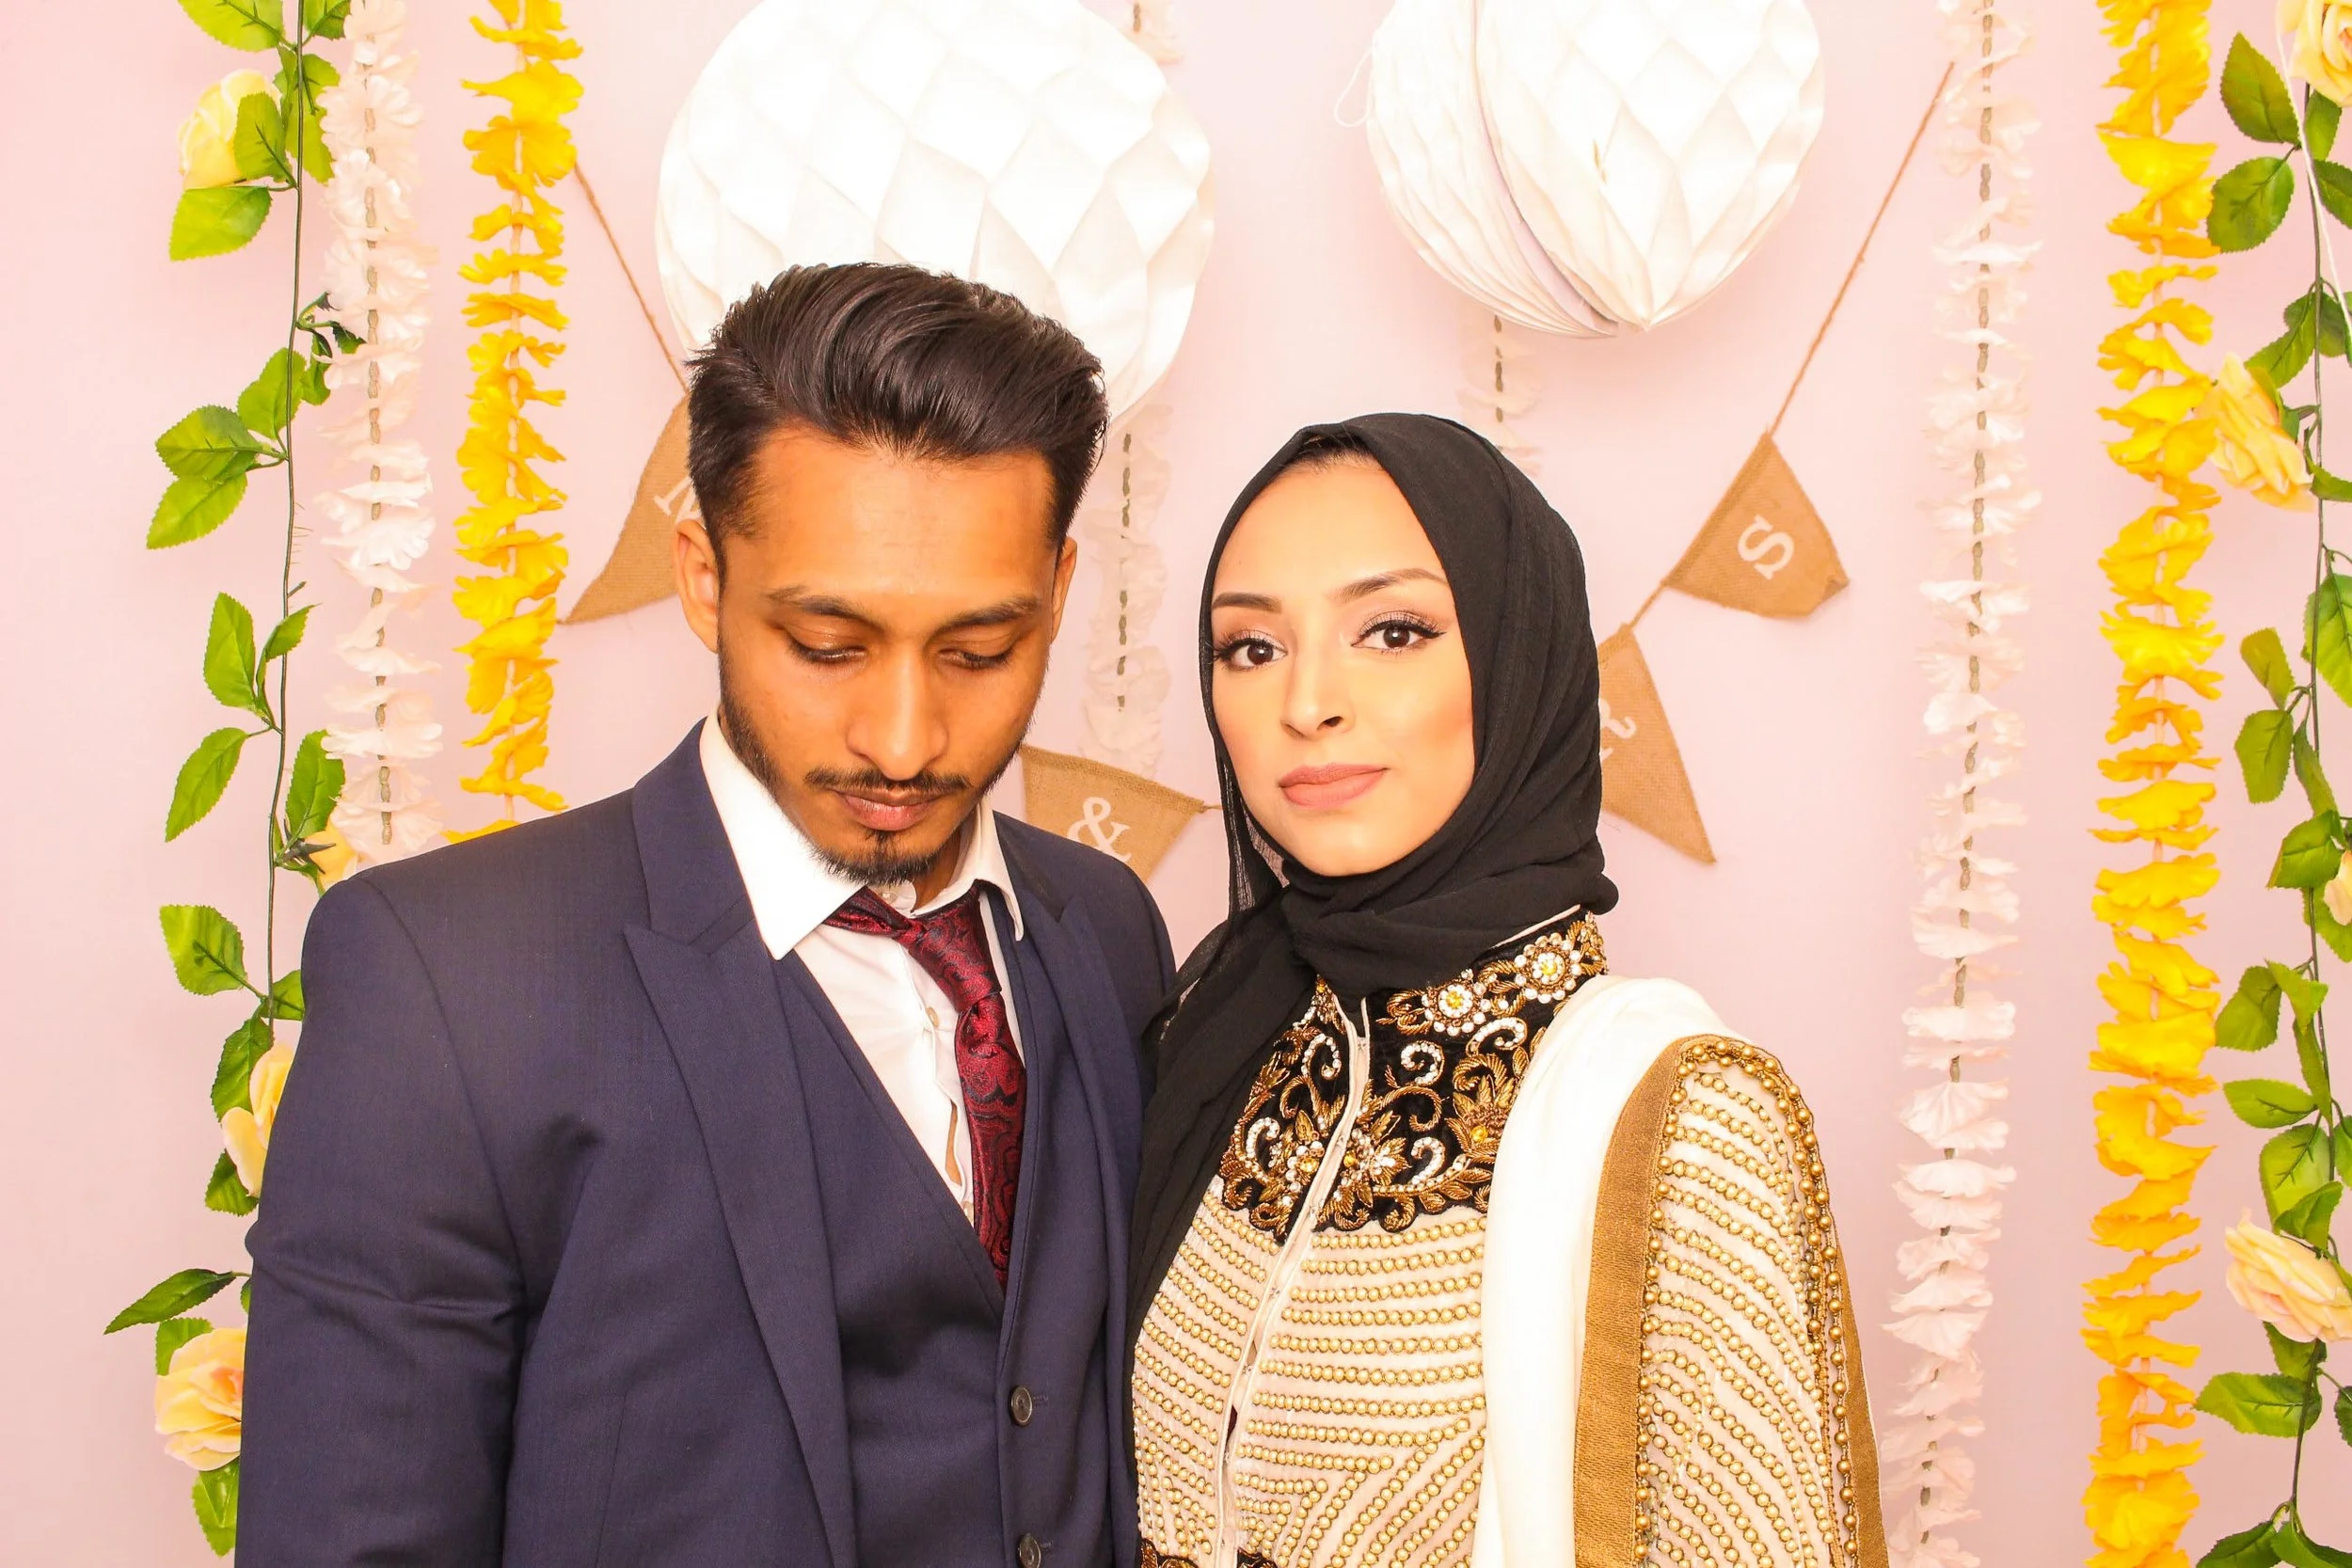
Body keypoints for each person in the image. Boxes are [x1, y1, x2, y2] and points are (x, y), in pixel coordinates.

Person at [241, 262, 1174, 1568]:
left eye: (979, 651)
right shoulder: (449, 977)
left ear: (1061, 592)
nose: (903, 737)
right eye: (828, 644)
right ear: (702, 575)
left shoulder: (1107, 928)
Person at [1127, 415, 1884, 1568]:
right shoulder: (1223, 1039)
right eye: (1251, 646)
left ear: (1517, 656)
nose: (1307, 702)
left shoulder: (1679, 1118)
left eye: (1392, 631)